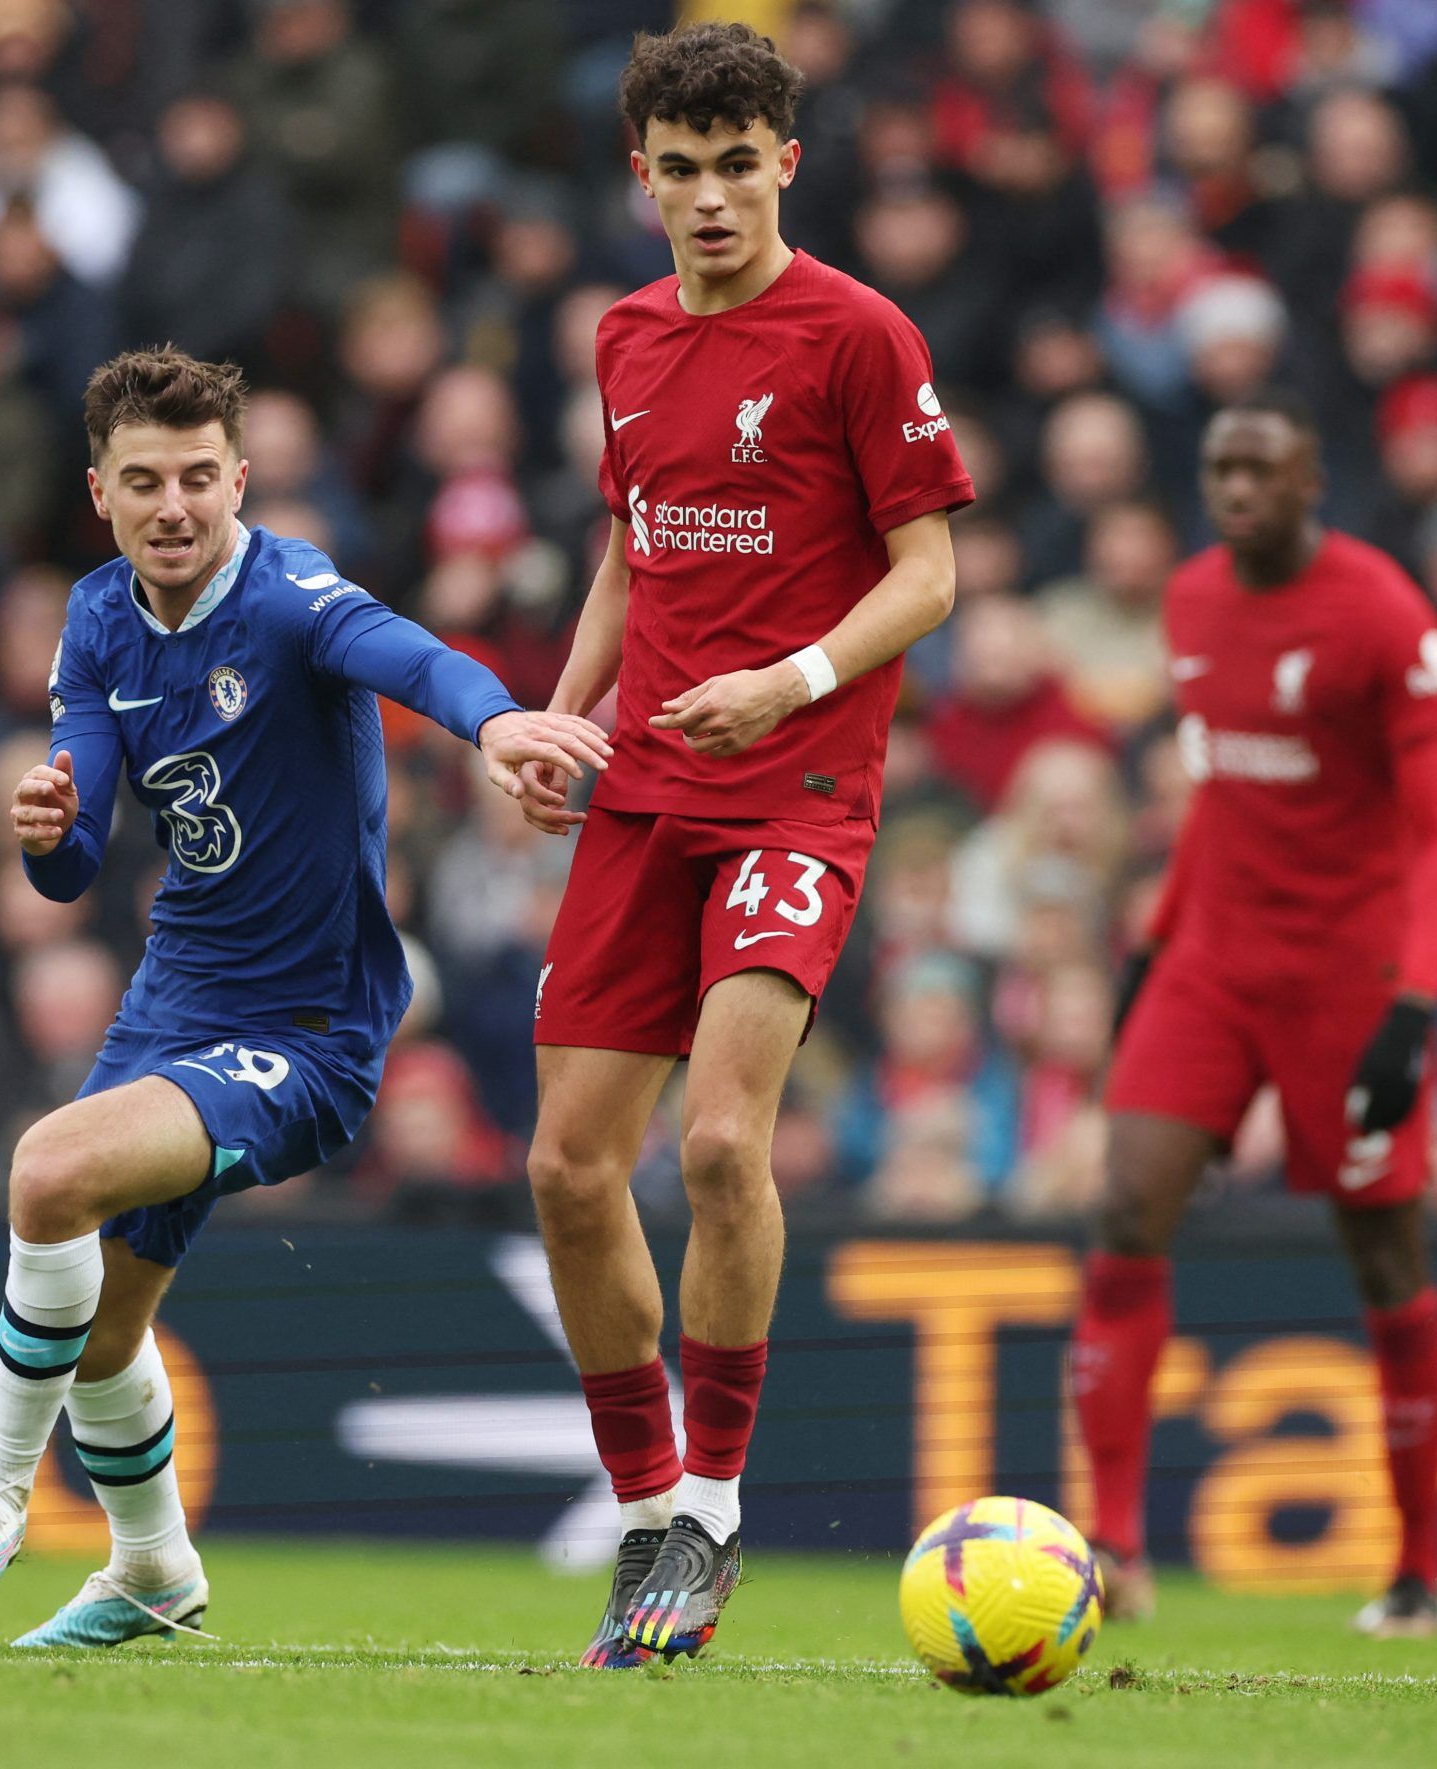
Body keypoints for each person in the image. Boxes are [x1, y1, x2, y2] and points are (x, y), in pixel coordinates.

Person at [0, 346, 611, 1646]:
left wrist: (499, 723)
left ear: (240, 480)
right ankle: (155, 1572)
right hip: (172, 1003)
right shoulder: (98, 618)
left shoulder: (291, 596)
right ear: (100, 495)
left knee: (48, 1170)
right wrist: (46, 825)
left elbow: (411, 658)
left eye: (195, 479)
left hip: (309, 1029)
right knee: (106, 1334)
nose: (172, 506)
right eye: (141, 482)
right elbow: (70, 869)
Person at [517, 23, 970, 1669]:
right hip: (640, 791)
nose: (710, 197)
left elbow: (928, 575)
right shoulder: (625, 336)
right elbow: (630, 553)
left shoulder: (858, 333)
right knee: (567, 1166)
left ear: (789, 160)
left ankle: (711, 1505)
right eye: (680, 169)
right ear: (642, 178)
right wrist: (559, 719)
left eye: (738, 163)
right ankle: (646, 1505)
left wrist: (785, 683)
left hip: (795, 791)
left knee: (718, 1142)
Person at [1068, 391, 1437, 1639]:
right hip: (1211, 961)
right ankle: (1117, 1544)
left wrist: (1414, 1005)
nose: (1234, 486)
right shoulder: (1190, 600)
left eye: (1260, 465)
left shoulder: (1382, 616)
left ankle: (1416, 1567)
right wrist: (1153, 940)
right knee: (1125, 1206)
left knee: (1379, 1254)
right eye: (1217, 466)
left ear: (1311, 479)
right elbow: (1220, 793)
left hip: (1349, 979)